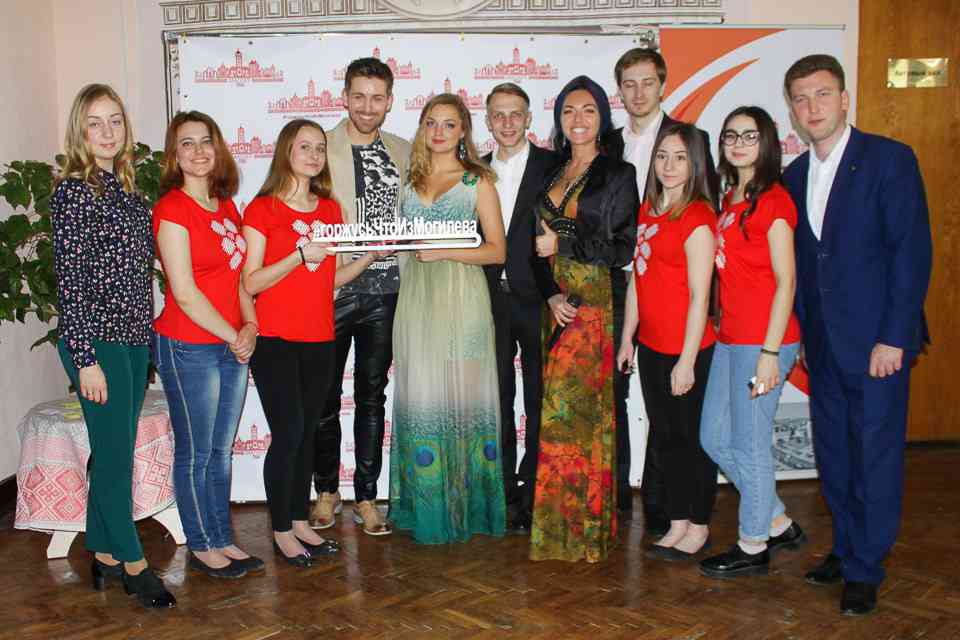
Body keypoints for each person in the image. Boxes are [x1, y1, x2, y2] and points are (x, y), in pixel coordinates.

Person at [782, 54, 932, 615]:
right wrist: (801, 333)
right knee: (837, 455)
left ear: (845, 99)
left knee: (875, 456)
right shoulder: (795, 175)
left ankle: (867, 567)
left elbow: (911, 253)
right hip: (824, 345)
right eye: (801, 98)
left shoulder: (889, 160)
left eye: (822, 94)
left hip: (877, 345)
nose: (812, 107)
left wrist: (895, 336)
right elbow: (805, 265)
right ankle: (846, 549)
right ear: (792, 110)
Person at [49, 83, 175, 608]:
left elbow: (135, 277)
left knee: (111, 454)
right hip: (95, 343)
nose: (107, 132)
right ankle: (134, 564)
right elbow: (71, 283)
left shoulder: (127, 191)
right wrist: (85, 360)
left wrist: (144, 343)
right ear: (80, 131)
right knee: (118, 459)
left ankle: (101, 552)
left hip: (130, 340)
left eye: (115, 121)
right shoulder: (74, 192)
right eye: (95, 123)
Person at [606, 48, 721, 534]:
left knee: (686, 433)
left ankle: (685, 517)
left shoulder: (697, 205)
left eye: (647, 82)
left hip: (684, 334)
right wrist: (628, 337)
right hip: (643, 323)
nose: (638, 92)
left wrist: (689, 358)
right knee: (663, 425)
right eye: (628, 83)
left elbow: (701, 292)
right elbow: (639, 270)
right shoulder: (640, 192)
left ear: (663, 84)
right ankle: (672, 517)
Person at [389, 93, 507, 544]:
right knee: (422, 399)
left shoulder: (478, 181)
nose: (439, 132)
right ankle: (429, 509)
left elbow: (496, 250)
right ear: (422, 128)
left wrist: (444, 251)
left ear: (463, 132)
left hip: (463, 301)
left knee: (463, 402)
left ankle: (466, 511)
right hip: (418, 301)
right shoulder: (409, 179)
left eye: (449, 124)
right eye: (431, 123)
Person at [531, 75, 639, 563]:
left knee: (586, 418)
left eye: (588, 110)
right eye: (569, 111)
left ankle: (586, 528)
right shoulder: (551, 170)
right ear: (559, 119)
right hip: (557, 308)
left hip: (594, 308)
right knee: (556, 418)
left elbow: (622, 249)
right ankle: (555, 527)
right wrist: (551, 294)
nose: (578, 119)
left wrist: (565, 242)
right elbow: (535, 247)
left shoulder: (618, 174)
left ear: (602, 118)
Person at [696, 106, 805, 579]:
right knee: (713, 437)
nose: (738, 144)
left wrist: (769, 353)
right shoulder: (731, 198)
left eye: (749, 135)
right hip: (730, 338)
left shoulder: (774, 201)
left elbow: (787, 280)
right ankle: (776, 519)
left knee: (750, 443)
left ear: (766, 144)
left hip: (763, 343)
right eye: (730, 135)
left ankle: (753, 544)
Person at [153, 111, 262, 579]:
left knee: (220, 451)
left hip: (230, 344)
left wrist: (250, 325)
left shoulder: (226, 206)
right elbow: (184, 293)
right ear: (174, 155)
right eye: (187, 143)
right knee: (196, 452)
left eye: (205, 141)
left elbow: (238, 280)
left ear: (218, 149)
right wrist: (234, 335)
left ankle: (221, 536)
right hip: (189, 345)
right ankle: (201, 544)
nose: (198, 151)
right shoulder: (172, 209)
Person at [241, 119, 353, 567]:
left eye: (319, 148)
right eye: (304, 146)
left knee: (307, 434)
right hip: (275, 339)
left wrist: (369, 256)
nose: (313, 155)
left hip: (320, 337)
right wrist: (298, 255)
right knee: (288, 433)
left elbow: (332, 279)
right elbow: (250, 281)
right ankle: (281, 530)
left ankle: (300, 520)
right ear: (286, 151)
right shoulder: (262, 209)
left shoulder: (330, 210)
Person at [312, 57, 412, 536]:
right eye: (359, 96)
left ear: (389, 101)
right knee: (324, 396)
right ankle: (326, 491)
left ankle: (367, 497)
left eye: (377, 98)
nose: (367, 107)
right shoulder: (318, 147)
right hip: (330, 290)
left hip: (387, 291)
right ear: (344, 97)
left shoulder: (404, 151)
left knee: (372, 397)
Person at [481, 82, 559, 534]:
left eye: (516, 114)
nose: (507, 123)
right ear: (487, 120)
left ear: (529, 119)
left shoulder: (554, 166)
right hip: (489, 299)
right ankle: (505, 494)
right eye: (498, 114)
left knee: (540, 397)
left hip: (539, 299)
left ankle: (535, 493)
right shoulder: (474, 171)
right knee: (497, 399)